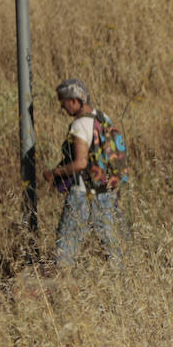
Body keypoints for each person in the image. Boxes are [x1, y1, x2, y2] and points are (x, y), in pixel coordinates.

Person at [41, 77, 124, 268]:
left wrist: (55, 172)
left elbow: (80, 163)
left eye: (64, 103)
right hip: (105, 192)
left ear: (75, 101)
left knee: (65, 249)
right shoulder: (103, 118)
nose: (63, 108)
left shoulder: (79, 125)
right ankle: (121, 287)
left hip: (82, 193)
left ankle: (62, 289)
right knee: (112, 248)